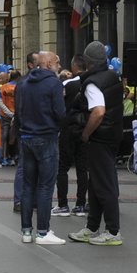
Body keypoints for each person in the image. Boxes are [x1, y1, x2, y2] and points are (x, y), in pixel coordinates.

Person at [68, 42, 125, 246]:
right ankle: (92, 227)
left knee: (104, 184)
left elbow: (98, 111)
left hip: (99, 138)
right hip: (112, 135)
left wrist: (85, 133)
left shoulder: (92, 83)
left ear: (88, 62)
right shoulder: (112, 76)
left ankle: (112, 231)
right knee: (96, 184)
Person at [15, 51, 66, 245]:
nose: (59, 66)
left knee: (28, 185)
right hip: (46, 136)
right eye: (57, 62)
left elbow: (18, 110)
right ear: (48, 64)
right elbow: (60, 112)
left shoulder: (24, 82)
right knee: (45, 186)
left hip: (27, 136)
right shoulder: (53, 83)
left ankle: (26, 231)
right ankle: (43, 232)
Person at [55, 57, 89, 218]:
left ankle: (63, 205)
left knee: (62, 168)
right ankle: (81, 204)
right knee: (83, 168)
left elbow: (58, 105)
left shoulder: (67, 84)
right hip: (86, 129)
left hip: (68, 128)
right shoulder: (90, 84)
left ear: (74, 66)